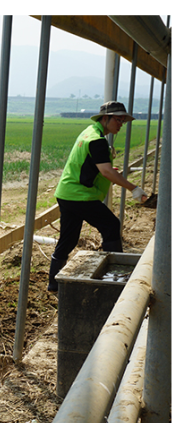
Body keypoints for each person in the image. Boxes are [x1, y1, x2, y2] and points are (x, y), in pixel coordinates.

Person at [48, 101, 149, 292]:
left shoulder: (89, 133)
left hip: (67, 193)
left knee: (68, 239)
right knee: (111, 225)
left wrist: (109, 170)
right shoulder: (98, 140)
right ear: (105, 118)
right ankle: (116, 278)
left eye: (123, 121)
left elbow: (97, 167)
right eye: (118, 119)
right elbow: (106, 172)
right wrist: (134, 188)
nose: (120, 124)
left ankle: (54, 283)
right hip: (80, 196)